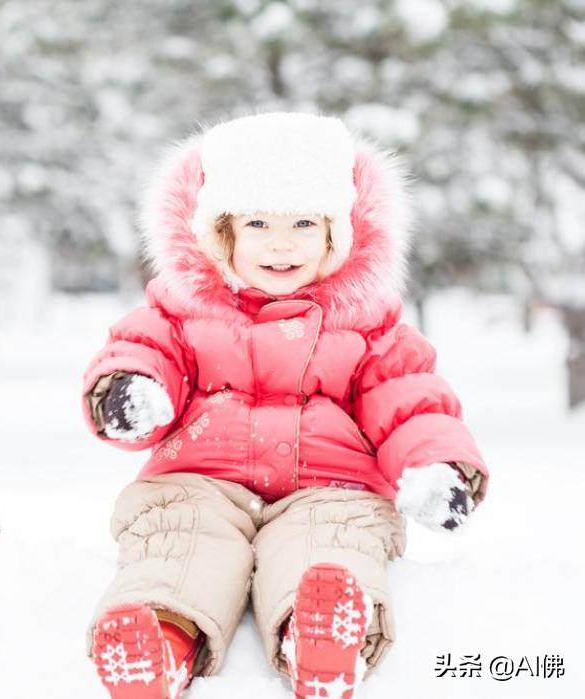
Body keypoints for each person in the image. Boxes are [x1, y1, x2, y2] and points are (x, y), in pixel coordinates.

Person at [80, 112, 488, 699]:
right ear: (223, 233)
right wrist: (131, 392)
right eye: (257, 222)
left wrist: (436, 468)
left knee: (334, 540)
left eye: (303, 221)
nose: (281, 241)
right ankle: (157, 638)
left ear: (336, 234)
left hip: (329, 486)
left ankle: (321, 634)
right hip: (201, 478)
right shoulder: (181, 310)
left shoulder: (368, 324)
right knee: (178, 536)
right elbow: (144, 351)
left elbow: (409, 399)